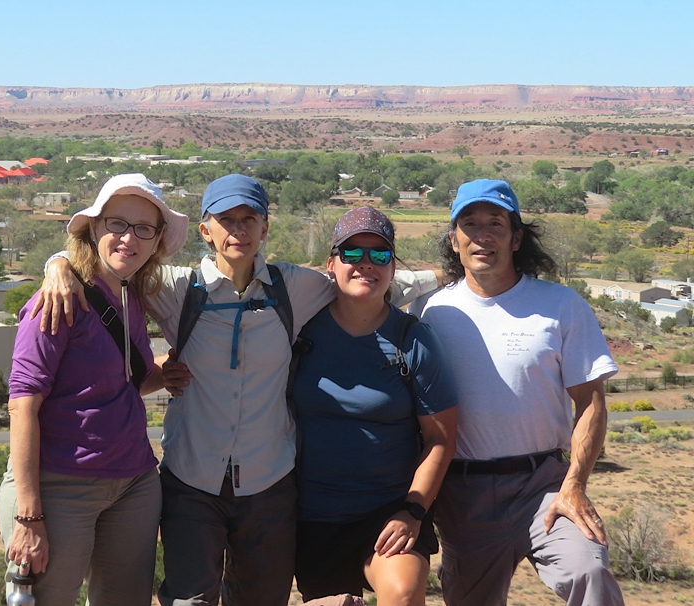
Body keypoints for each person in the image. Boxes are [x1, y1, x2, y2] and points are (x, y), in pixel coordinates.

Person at [34, 174, 441, 606]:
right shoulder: (175, 289)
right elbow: (111, 263)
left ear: (265, 228)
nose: (239, 229)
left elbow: (365, 283)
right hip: (192, 479)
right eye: (226, 219)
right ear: (206, 230)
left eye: (250, 218)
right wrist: (58, 264)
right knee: (189, 600)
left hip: (269, 483)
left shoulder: (293, 288)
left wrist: (452, 274)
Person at [410, 179, 624, 606]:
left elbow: (591, 402)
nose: (482, 235)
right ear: (454, 240)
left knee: (589, 572)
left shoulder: (560, 305)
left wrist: (575, 485)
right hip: (463, 494)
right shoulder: (429, 312)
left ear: (517, 237)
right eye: (469, 224)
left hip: (545, 485)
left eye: (496, 223)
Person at [0, 173, 189, 605]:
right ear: (94, 228)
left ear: (157, 240)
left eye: (144, 228)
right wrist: (29, 514)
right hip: (58, 486)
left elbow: (117, 381)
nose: (128, 238)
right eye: (117, 223)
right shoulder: (58, 300)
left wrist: (162, 373)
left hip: (134, 483)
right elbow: (22, 404)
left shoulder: (132, 294)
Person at [290, 207, 457, 606]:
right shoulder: (300, 331)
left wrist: (413, 510)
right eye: (352, 254)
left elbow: (440, 439)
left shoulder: (412, 340)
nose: (366, 264)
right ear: (331, 264)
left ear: (392, 267)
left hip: (389, 510)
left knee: (401, 591)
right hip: (311, 515)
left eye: (379, 255)